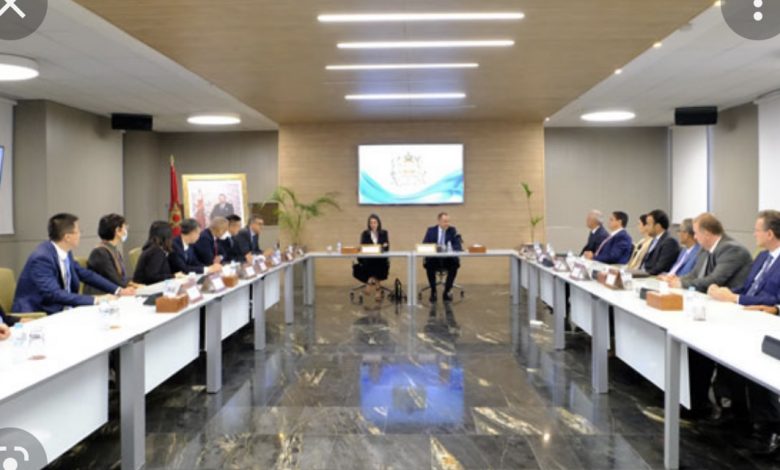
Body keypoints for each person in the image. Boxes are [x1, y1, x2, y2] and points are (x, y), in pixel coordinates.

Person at [12, 213, 135, 315]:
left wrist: (118, 290)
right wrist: (96, 299)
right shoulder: (42, 258)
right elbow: (54, 294)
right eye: (78, 231)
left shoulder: (65, 252)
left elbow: (86, 274)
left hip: (62, 309)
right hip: (38, 313)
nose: (80, 234)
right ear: (67, 237)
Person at [660, 213, 751, 292]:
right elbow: (694, 274)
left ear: (706, 234)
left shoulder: (731, 250)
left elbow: (714, 280)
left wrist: (682, 284)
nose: (695, 237)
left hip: (731, 302)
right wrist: (677, 279)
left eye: (696, 233)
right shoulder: (705, 248)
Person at [709, 210, 780, 306]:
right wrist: (723, 292)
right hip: (743, 308)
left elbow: (776, 300)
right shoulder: (762, 256)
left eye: (757, 230)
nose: (754, 234)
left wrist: (735, 298)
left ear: (770, 234)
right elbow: (747, 288)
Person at [84, 213, 136, 295]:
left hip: (113, 292)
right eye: (125, 227)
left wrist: (134, 283)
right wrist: (135, 285)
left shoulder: (114, 250)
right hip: (101, 295)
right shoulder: (100, 252)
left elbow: (121, 278)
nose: (126, 231)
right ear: (117, 230)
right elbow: (115, 279)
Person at [422, 212, 463, 302]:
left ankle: (447, 291)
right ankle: (433, 291)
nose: (447, 224)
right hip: (434, 259)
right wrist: (435, 248)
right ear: (439, 221)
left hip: (448, 259)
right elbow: (424, 245)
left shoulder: (452, 231)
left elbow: (458, 246)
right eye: (445, 221)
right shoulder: (431, 231)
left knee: (455, 264)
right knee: (429, 264)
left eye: (448, 221)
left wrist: (449, 248)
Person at [353, 214, 390, 300]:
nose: (373, 224)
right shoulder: (365, 234)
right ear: (369, 224)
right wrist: (380, 246)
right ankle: (378, 289)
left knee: (378, 262)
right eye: (371, 223)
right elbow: (363, 246)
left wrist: (382, 247)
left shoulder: (384, 233)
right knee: (373, 262)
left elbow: (387, 247)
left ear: (378, 223)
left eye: (375, 222)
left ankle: (369, 281)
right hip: (368, 259)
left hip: (380, 259)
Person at [639, 209, 680, 275]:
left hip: (653, 277)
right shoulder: (654, 240)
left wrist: (642, 274)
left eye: (648, 224)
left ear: (658, 226)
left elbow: (660, 267)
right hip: (644, 274)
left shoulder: (669, 242)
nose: (646, 227)